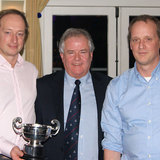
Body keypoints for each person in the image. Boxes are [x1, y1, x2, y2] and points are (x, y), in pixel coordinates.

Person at [35, 28, 112, 160]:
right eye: (71, 52)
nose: (77, 58)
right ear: (62, 56)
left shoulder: (109, 87)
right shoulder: (42, 87)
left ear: (91, 55)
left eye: (83, 52)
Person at [101, 15, 160, 160]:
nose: (141, 45)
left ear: (158, 42)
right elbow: (112, 143)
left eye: (148, 39)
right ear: (130, 45)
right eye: (136, 40)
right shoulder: (116, 87)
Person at [0, 9, 38, 160]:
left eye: (20, 34)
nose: (14, 40)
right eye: (8, 32)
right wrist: (8, 148)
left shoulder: (31, 71)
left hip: (26, 154)